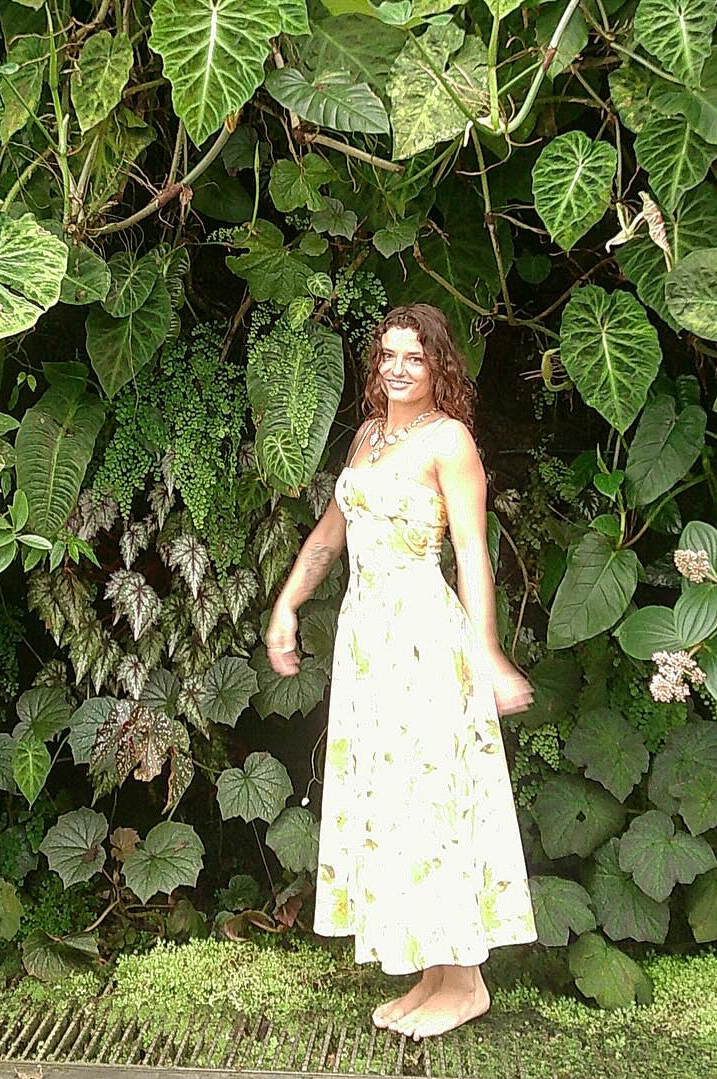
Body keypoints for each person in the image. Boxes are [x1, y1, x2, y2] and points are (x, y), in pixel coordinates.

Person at [264, 303, 539, 1041]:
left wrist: (488, 654)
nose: (397, 368)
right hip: (367, 645)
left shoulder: (451, 441)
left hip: (424, 640)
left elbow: (473, 554)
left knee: (434, 797)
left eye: (414, 357)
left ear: (438, 364)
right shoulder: (367, 436)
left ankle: (467, 982)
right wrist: (287, 605)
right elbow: (330, 536)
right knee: (390, 799)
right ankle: (434, 971)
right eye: (387, 355)